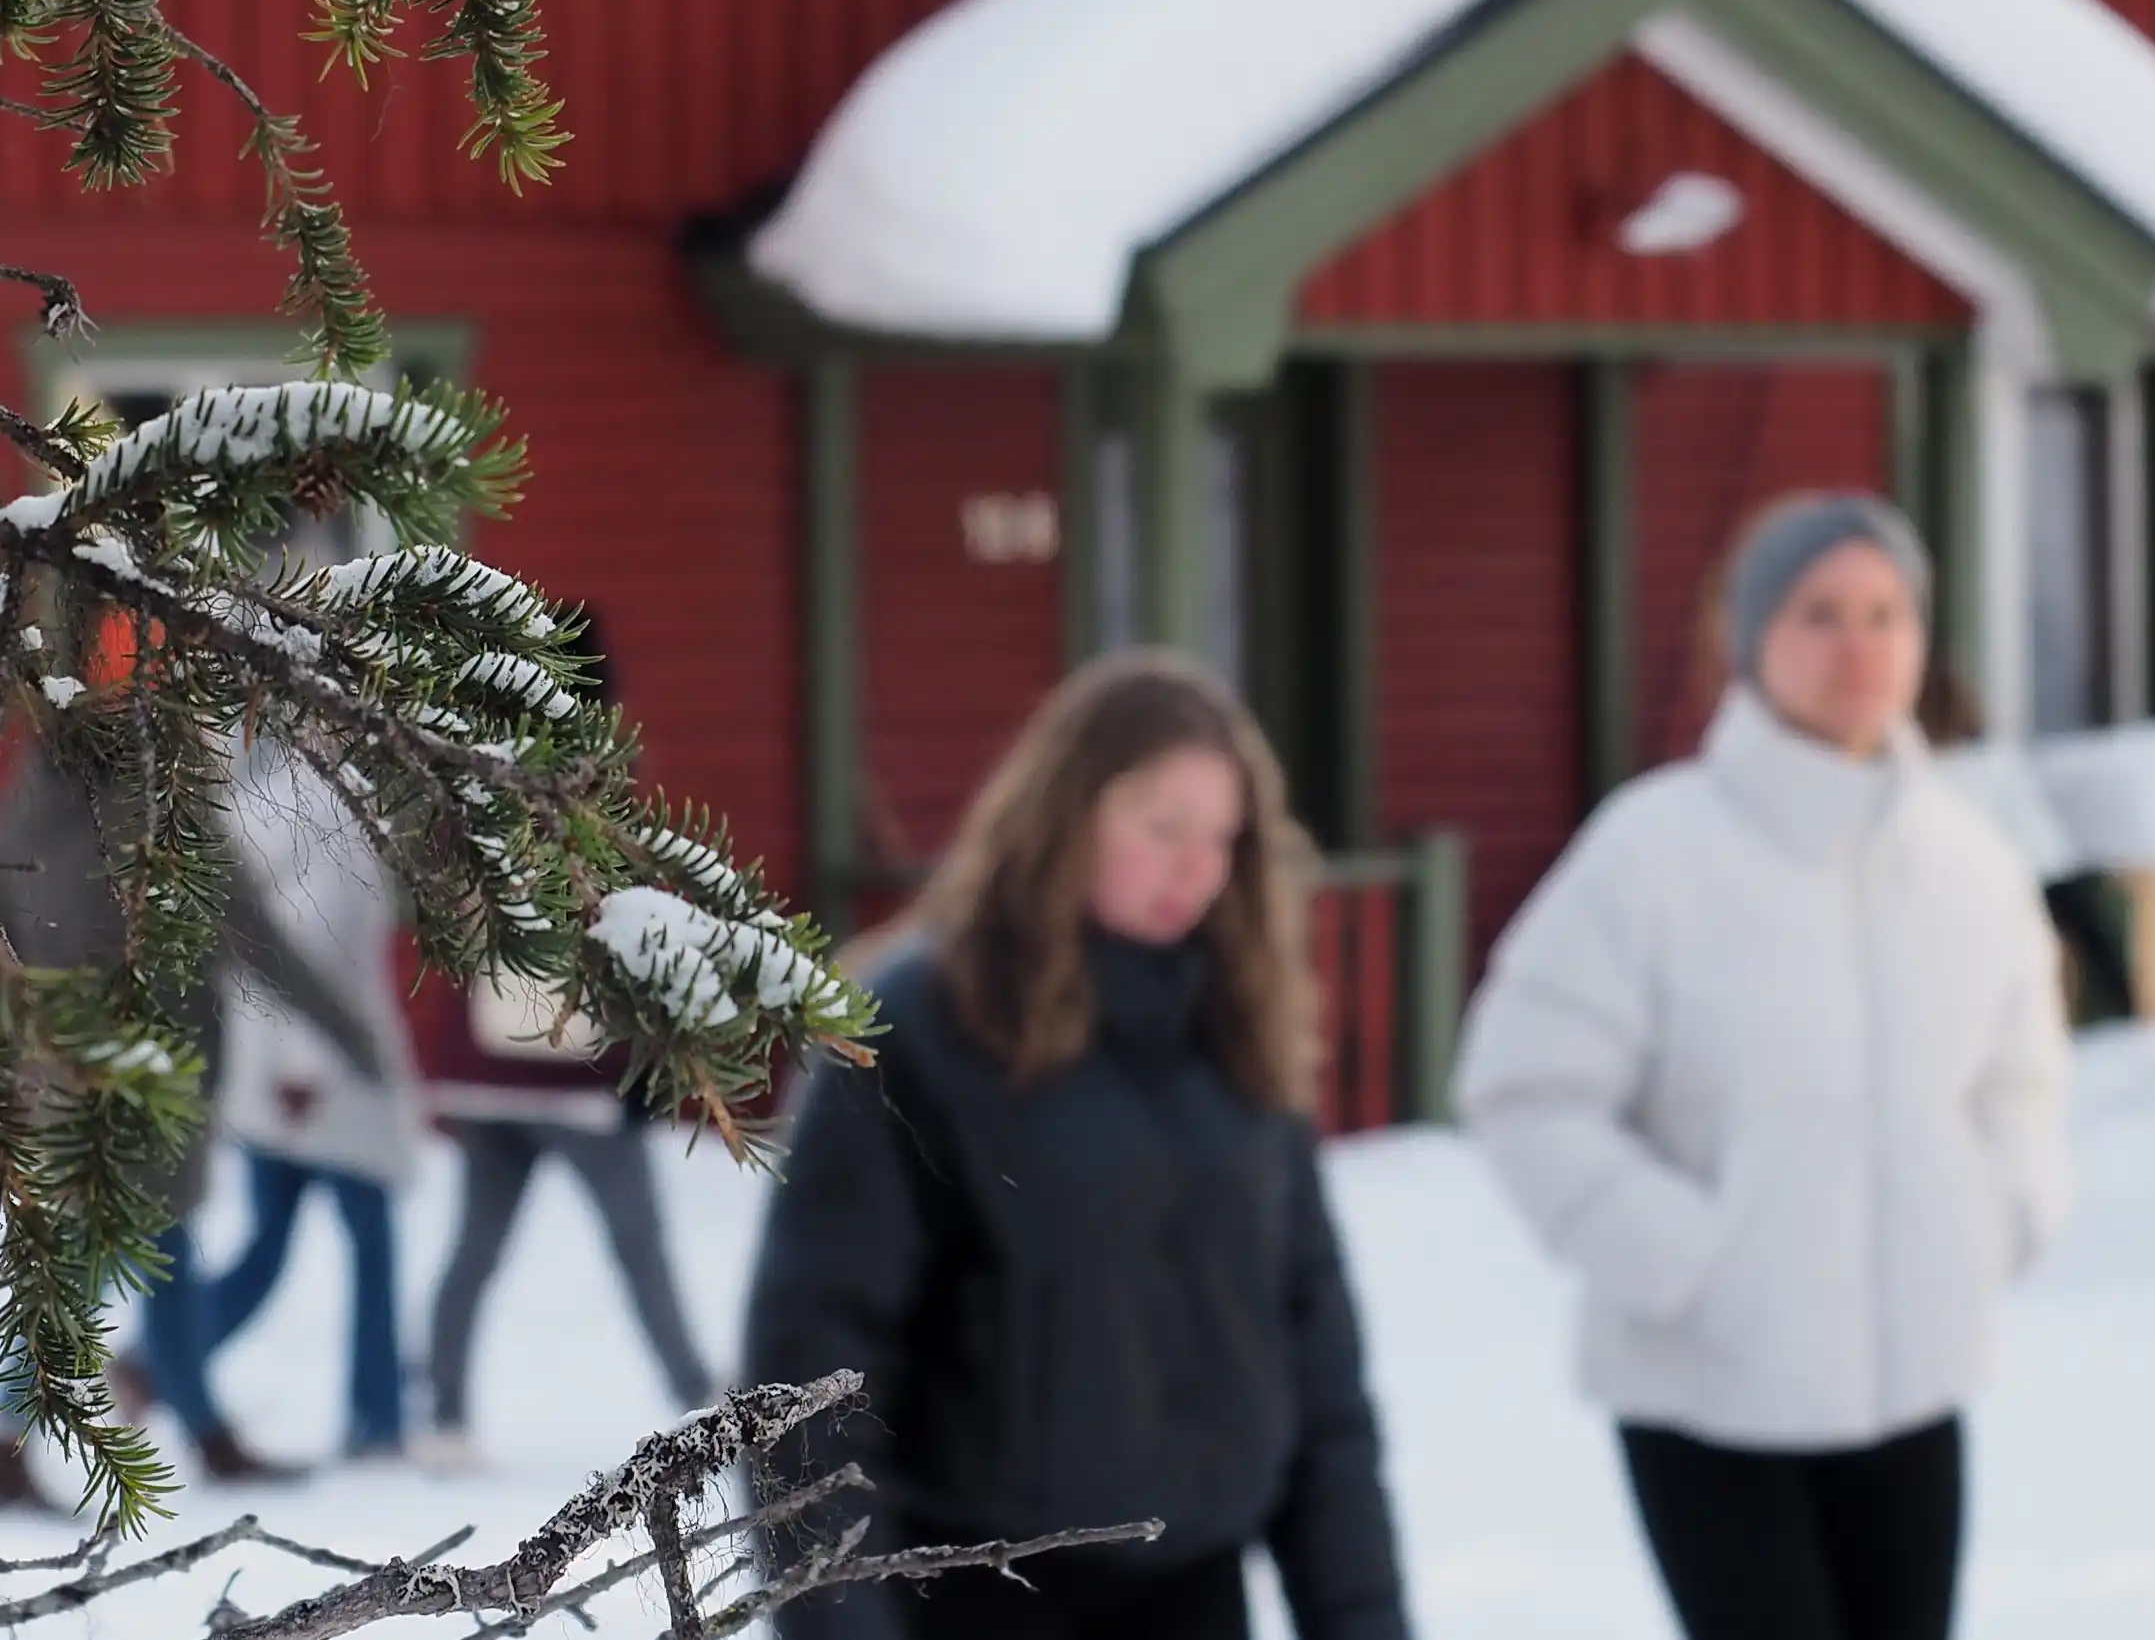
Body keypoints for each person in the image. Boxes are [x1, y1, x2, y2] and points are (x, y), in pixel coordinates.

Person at [1456, 492, 2069, 1640]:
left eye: (1886, 613)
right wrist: (1681, 1254)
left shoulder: (1967, 861)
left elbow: (2018, 1076)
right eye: (1820, 613)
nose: (1859, 646)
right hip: (1710, 1396)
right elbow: (1524, 1083)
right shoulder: (1652, 853)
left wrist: (2002, 1214)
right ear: (1749, 643)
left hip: (1914, 1386)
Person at [742, 651, 1410, 1640]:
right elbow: (811, 1376)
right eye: (1162, 826)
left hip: (1192, 1593)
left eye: (1222, 836)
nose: (1197, 866)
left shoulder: (1238, 1033)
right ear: (1068, 811)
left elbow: (1317, 1371)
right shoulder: (919, 1030)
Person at [0, 678, 400, 1504]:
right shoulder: (160, 814)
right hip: (154, 1072)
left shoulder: (24, 811)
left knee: (154, 1257)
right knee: (102, 1261)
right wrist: (350, 1034)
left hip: (61, 1069)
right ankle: (10, 1446)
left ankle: (201, 1432)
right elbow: (253, 934)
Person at [410, 608, 717, 1464]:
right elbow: (630, 936)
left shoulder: (465, 788)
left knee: (473, 1249)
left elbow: (443, 917)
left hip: (481, 1065)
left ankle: (442, 1413)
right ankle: (700, 1396)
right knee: (638, 1245)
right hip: (578, 1073)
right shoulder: (590, 796)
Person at [187, 723, 430, 1458]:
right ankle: (377, 1416)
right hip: (324, 1075)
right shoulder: (324, 806)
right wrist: (308, 1065)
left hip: (270, 1065)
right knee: (369, 1241)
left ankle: (166, 1359)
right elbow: (311, 943)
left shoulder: (256, 798)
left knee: (269, 1241)